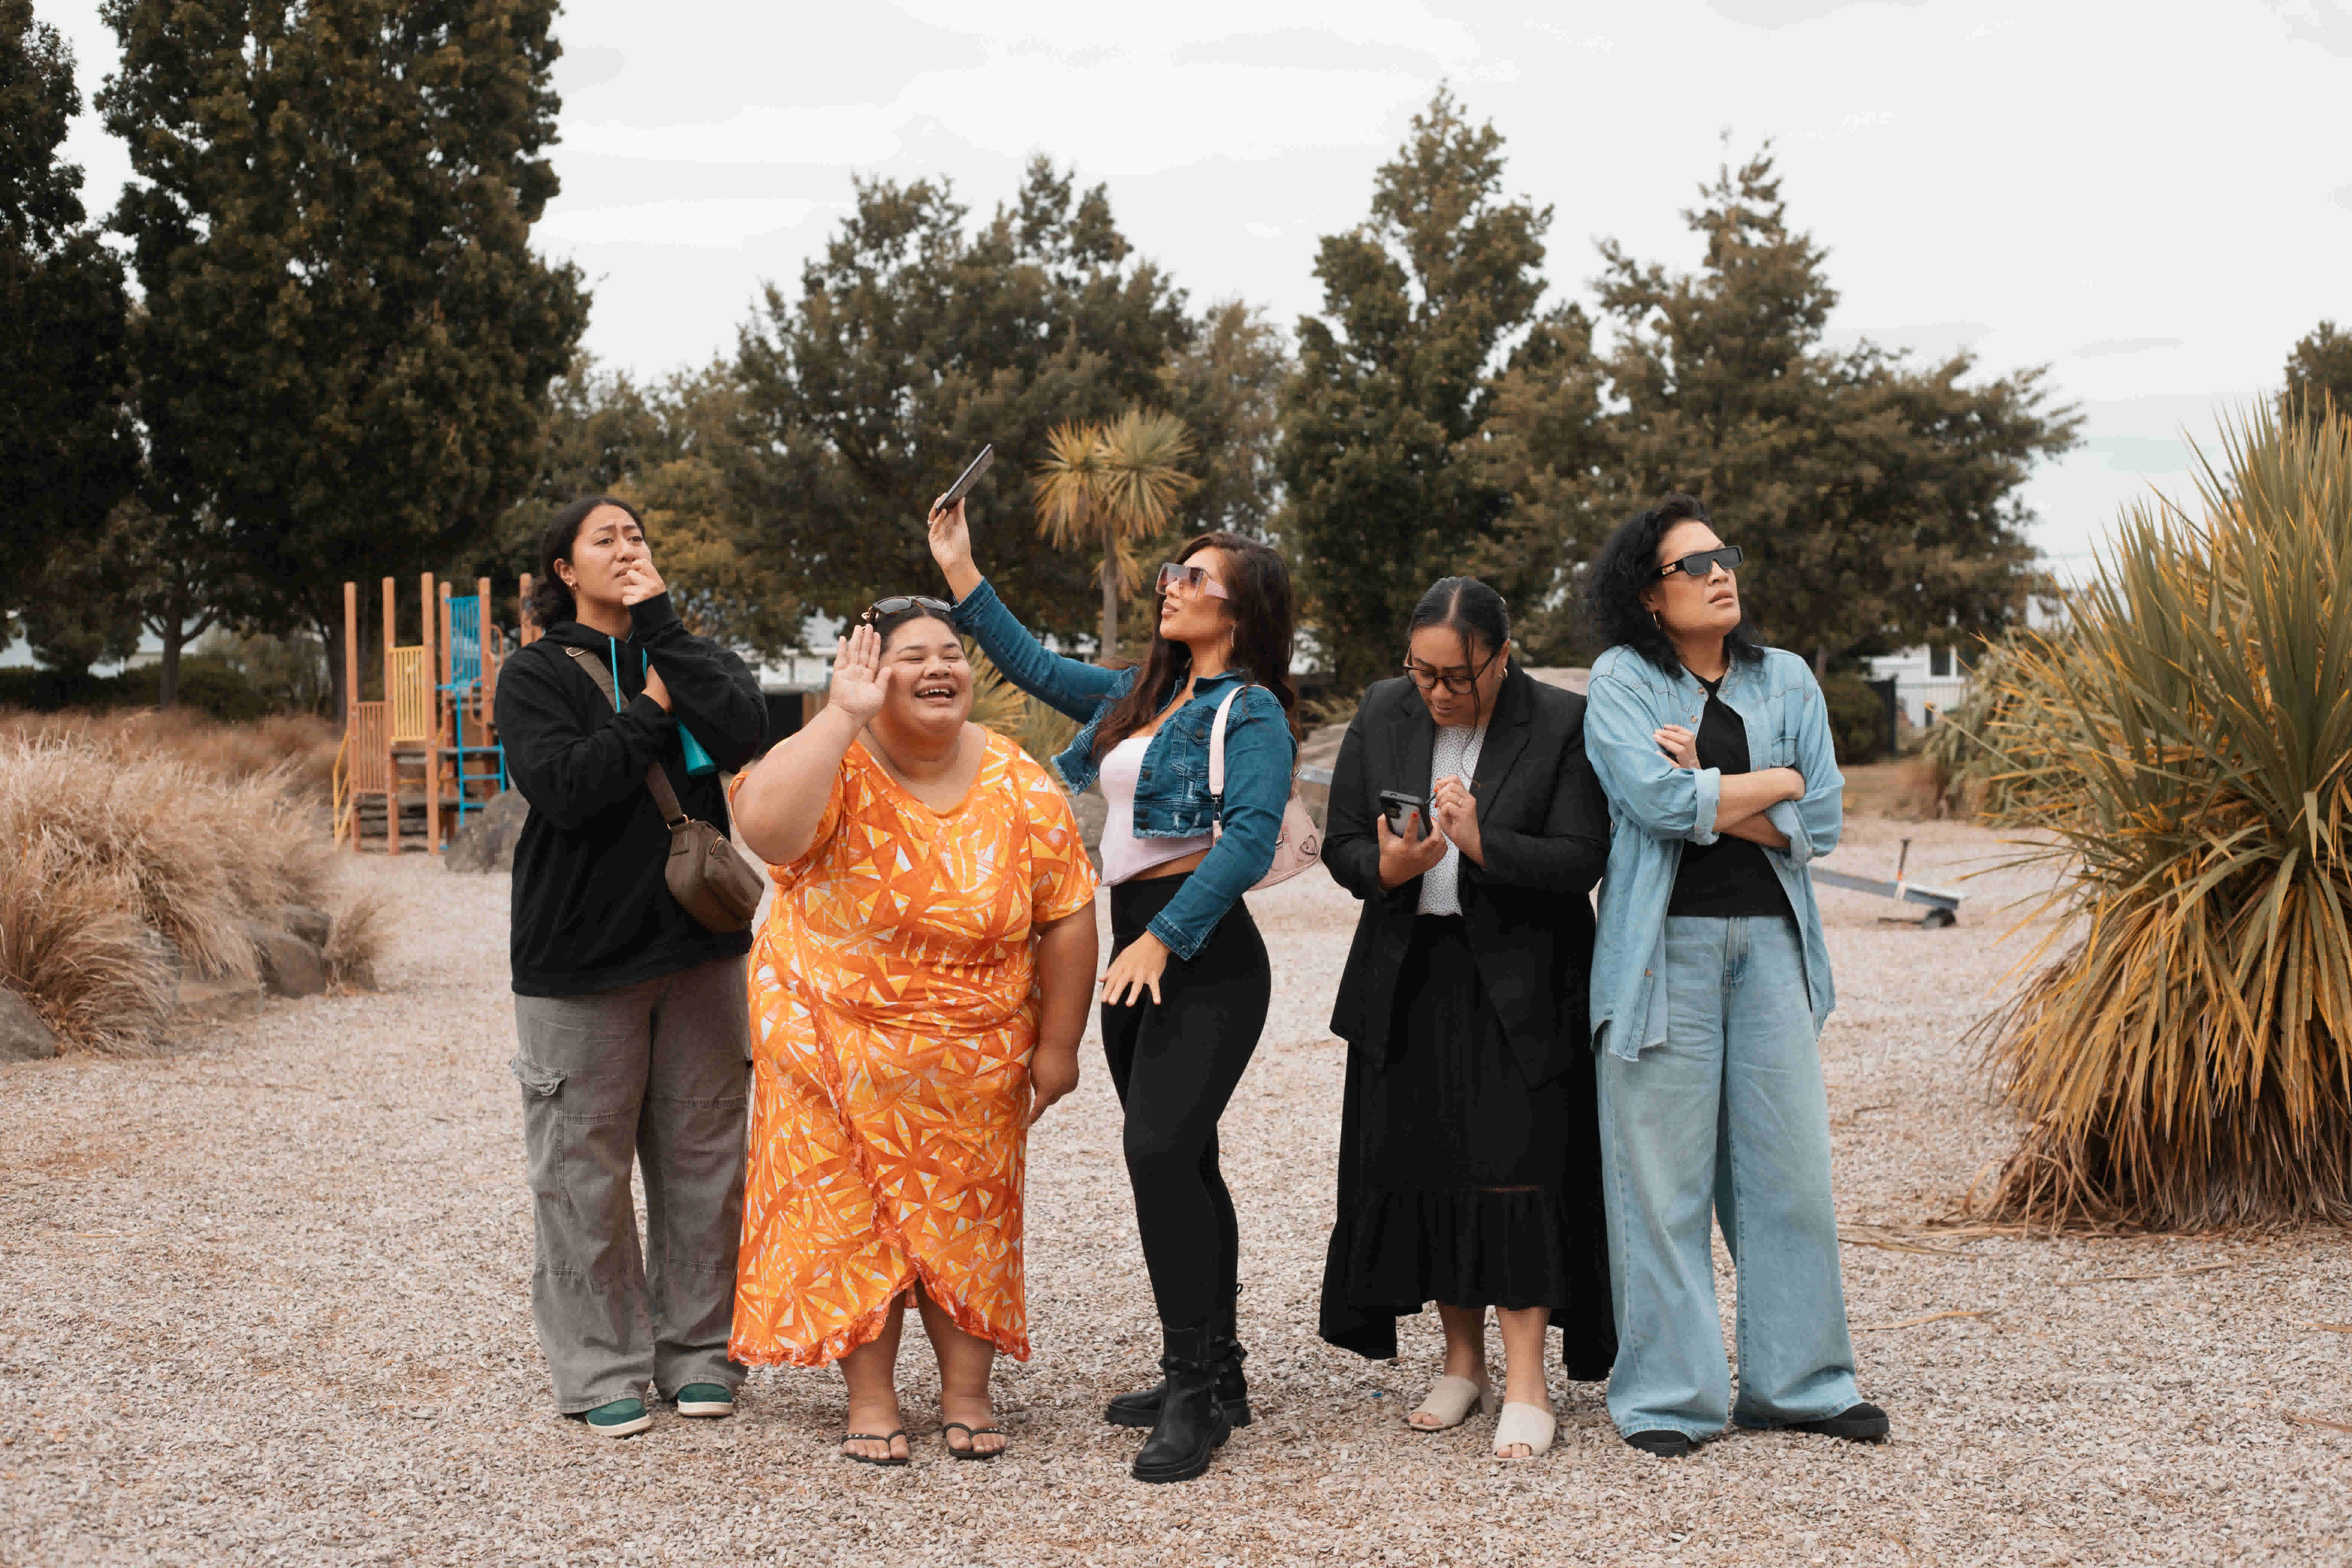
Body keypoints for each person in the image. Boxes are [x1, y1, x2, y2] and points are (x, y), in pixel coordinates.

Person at [927, 501, 1297, 1485]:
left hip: (1205, 954)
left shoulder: (1247, 712)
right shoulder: (1144, 695)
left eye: (1195, 579)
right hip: (1136, 944)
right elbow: (1040, 670)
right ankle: (1222, 1373)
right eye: (1175, 572)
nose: (1171, 585)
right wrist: (963, 570)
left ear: (1242, 612)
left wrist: (1168, 941)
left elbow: (1253, 837)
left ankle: (1191, 1397)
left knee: (1160, 1151)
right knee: (1187, 1164)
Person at [727, 599, 1100, 1464]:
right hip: (830, 1043)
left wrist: (1060, 1044)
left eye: (952, 654)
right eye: (912, 657)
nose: (940, 668)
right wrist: (839, 716)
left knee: (968, 1220)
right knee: (852, 1220)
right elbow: (767, 833)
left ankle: (968, 1393)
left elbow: (1069, 915)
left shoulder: (1017, 779)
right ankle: (870, 1398)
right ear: (868, 672)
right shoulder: (838, 759)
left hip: (975, 1052)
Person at [1580, 493, 1889, 1458]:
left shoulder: (1788, 678)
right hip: (1657, 953)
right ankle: (1670, 1397)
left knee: (1788, 1176)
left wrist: (1750, 787)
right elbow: (1652, 800)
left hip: (1771, 952)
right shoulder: (1622, 679)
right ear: (1648, 595)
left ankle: (1801, 1385)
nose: (1722, 574)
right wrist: (1773, 784)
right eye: (1694, 564)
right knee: (1660, 1184)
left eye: (1727, 556)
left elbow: (1825, 823)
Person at [1315, 577, 1615, 1461]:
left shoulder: (1561, 721)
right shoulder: (1384, 711)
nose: (1438, 693)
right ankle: (1461, 1364)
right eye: (1423, 673)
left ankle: (1529, 1379)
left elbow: (1584, 855)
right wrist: (1391, 866)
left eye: (1457, 675)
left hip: (1522, 985)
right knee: (1431, 1164)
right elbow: (1340, 843)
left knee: (1519, 1172)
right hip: (1409, 974)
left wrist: (1484, 845)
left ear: (1501, 656)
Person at [493, 495, 769, 1439]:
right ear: (565, 569)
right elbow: (570, 789)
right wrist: (653, 710)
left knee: (705, 1162)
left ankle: (699, 1353)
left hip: (701, 949)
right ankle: (600, 1364)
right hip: (579, 958)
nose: (628, 549)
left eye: (639, 536)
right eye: (605, 539)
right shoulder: (535, 673)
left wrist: (666, 643)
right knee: (584, 1171)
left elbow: (745, 736)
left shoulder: (686, 651)